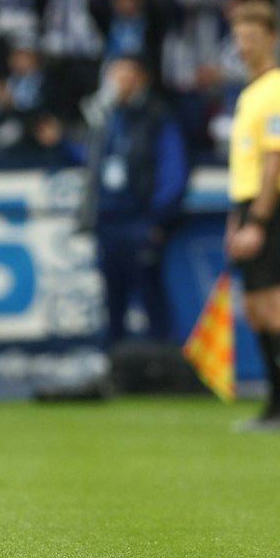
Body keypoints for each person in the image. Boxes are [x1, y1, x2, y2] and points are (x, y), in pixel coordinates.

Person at [225, 0, 280, 431]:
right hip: (248, 204)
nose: (244, 46)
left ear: (271, 40)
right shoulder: (251, 92)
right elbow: (244, 165)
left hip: (269, 207)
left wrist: (257, 222)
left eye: (252, 38)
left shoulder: (278, 91)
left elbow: (273, 164)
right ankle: (276, 405)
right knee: (256, 309)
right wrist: (235, 220)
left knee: (277, 307)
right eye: (240, 38)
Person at [91, 56, 188, 347]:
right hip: (109, 221)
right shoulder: (106, 118)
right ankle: (114, 365)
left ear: (141, 78)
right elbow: (92, 161)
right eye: (114, 74)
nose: (118, 81)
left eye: (125, 74)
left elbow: (174, 172)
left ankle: (163, 363)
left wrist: (157, 219)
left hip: (140, 220)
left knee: (151, 296)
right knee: (113, 300)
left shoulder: (156, 117)